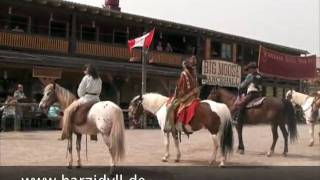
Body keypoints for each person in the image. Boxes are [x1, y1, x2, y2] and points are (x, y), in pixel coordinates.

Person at [60, 64, 102, 140]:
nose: (84, 72)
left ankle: (65, 133)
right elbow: (99, 91)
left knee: (67, 111)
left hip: (87, 98)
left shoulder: (86, 78)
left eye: (85, 70)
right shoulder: (99, 79)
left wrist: (81, 96)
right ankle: (93, 135)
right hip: (97, 99)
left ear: (88, 70)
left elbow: (80, 91)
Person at [165, 56, 199, 132]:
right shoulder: (194, 75)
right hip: (194, 96)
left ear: (185, 66)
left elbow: (179, 86)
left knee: (170, 106)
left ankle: (170, 125)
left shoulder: (184, 74)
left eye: (183, 65)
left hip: (185, 97)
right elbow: (196, 86)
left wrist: (175, 96)